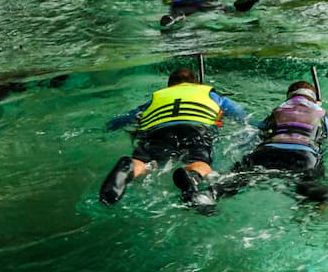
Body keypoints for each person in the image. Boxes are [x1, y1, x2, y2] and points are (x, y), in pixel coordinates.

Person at [99, 67, 249, 206]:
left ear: (169, 86)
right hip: (195, 129)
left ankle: (131, 166)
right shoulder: (212, 95)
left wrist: (108, 127)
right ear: (196, 83)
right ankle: (192, 176)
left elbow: (122, 120)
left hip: (158, 131)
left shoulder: (156, 98)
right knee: (200, 161)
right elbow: (242, 116)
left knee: (144, 161)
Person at [214, 80, 328, 206]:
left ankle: (209, 196)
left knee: (234, 178)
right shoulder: (323, 117)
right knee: (316, 194)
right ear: (316, 100)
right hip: (304, 157)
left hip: (266, 153)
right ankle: (313, 222)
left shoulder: (279, 111)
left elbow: (255, 125)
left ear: (289, 97)